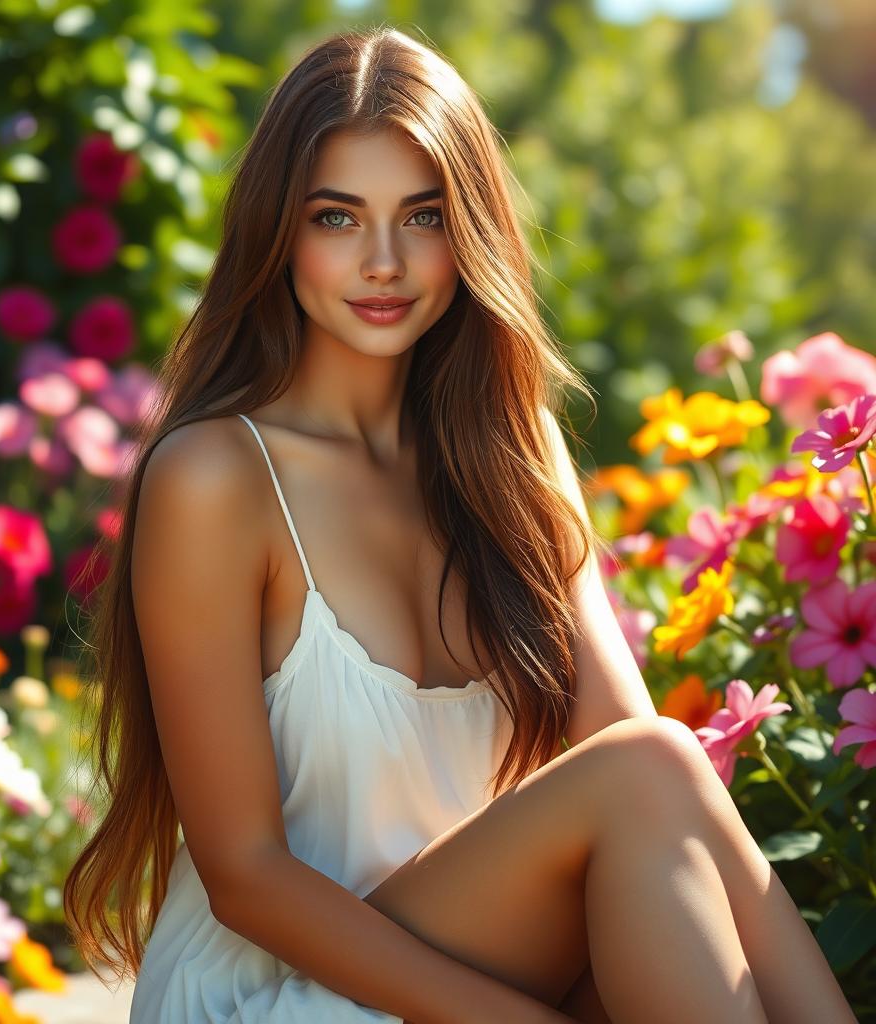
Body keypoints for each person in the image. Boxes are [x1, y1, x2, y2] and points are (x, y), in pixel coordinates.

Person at [62, 25, 858, 1024]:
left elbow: (619, 745)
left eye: (423, 216)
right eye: (338, 217)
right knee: (654, 768)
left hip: (474, 964)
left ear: (469, 227)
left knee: (655, 769)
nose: (384, 262)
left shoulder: (508, 448)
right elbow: (246, 876)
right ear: (279, 230)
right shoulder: (216, 476)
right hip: (276, 991)